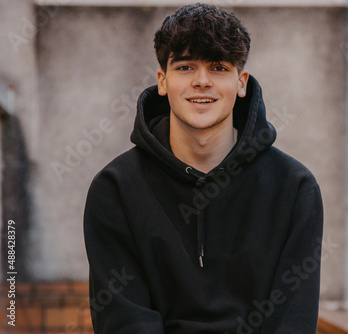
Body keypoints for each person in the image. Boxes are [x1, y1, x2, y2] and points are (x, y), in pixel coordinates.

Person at [84, 3, 323, 334]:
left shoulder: (295, 189)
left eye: (218, 68)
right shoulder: (116, 188)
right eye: (185, 67)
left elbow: (292, 323)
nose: (201, 81)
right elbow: (126, 322)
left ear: (241, 83)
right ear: (162, 81)